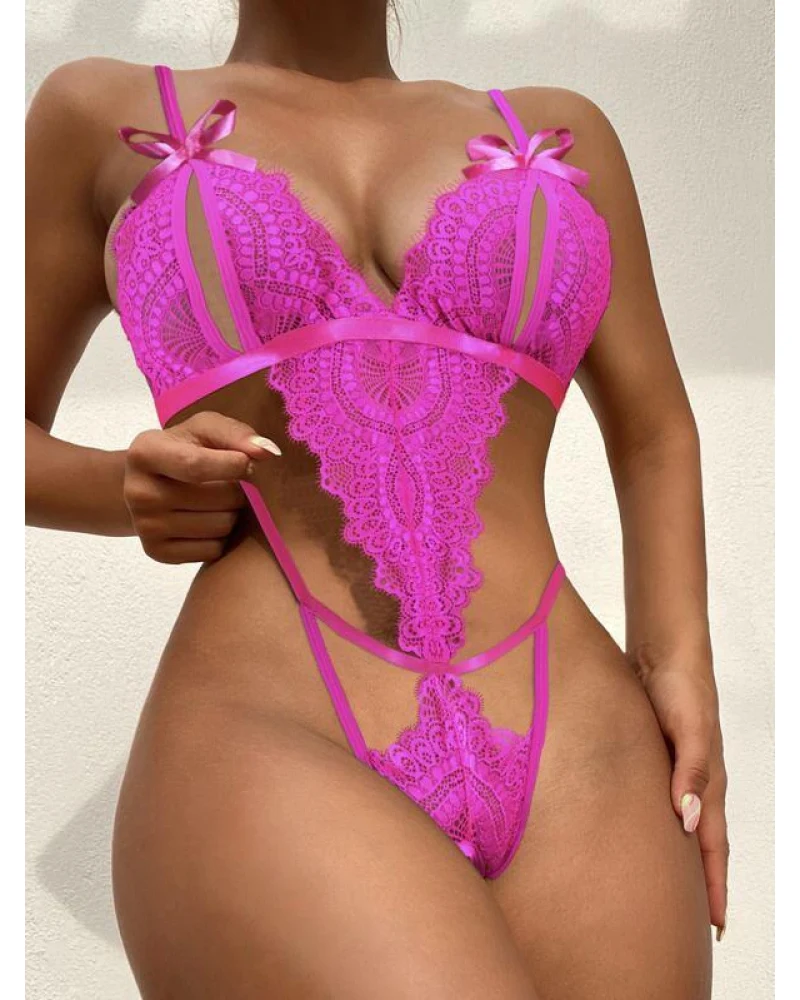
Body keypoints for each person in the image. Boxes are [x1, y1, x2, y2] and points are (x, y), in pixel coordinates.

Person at [25, 1, 728, 996]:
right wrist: (116, 485)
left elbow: (654, 429)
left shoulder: (561, 129)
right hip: (273, 724)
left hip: (578, 736)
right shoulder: (99, 111)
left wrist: (679, 662)